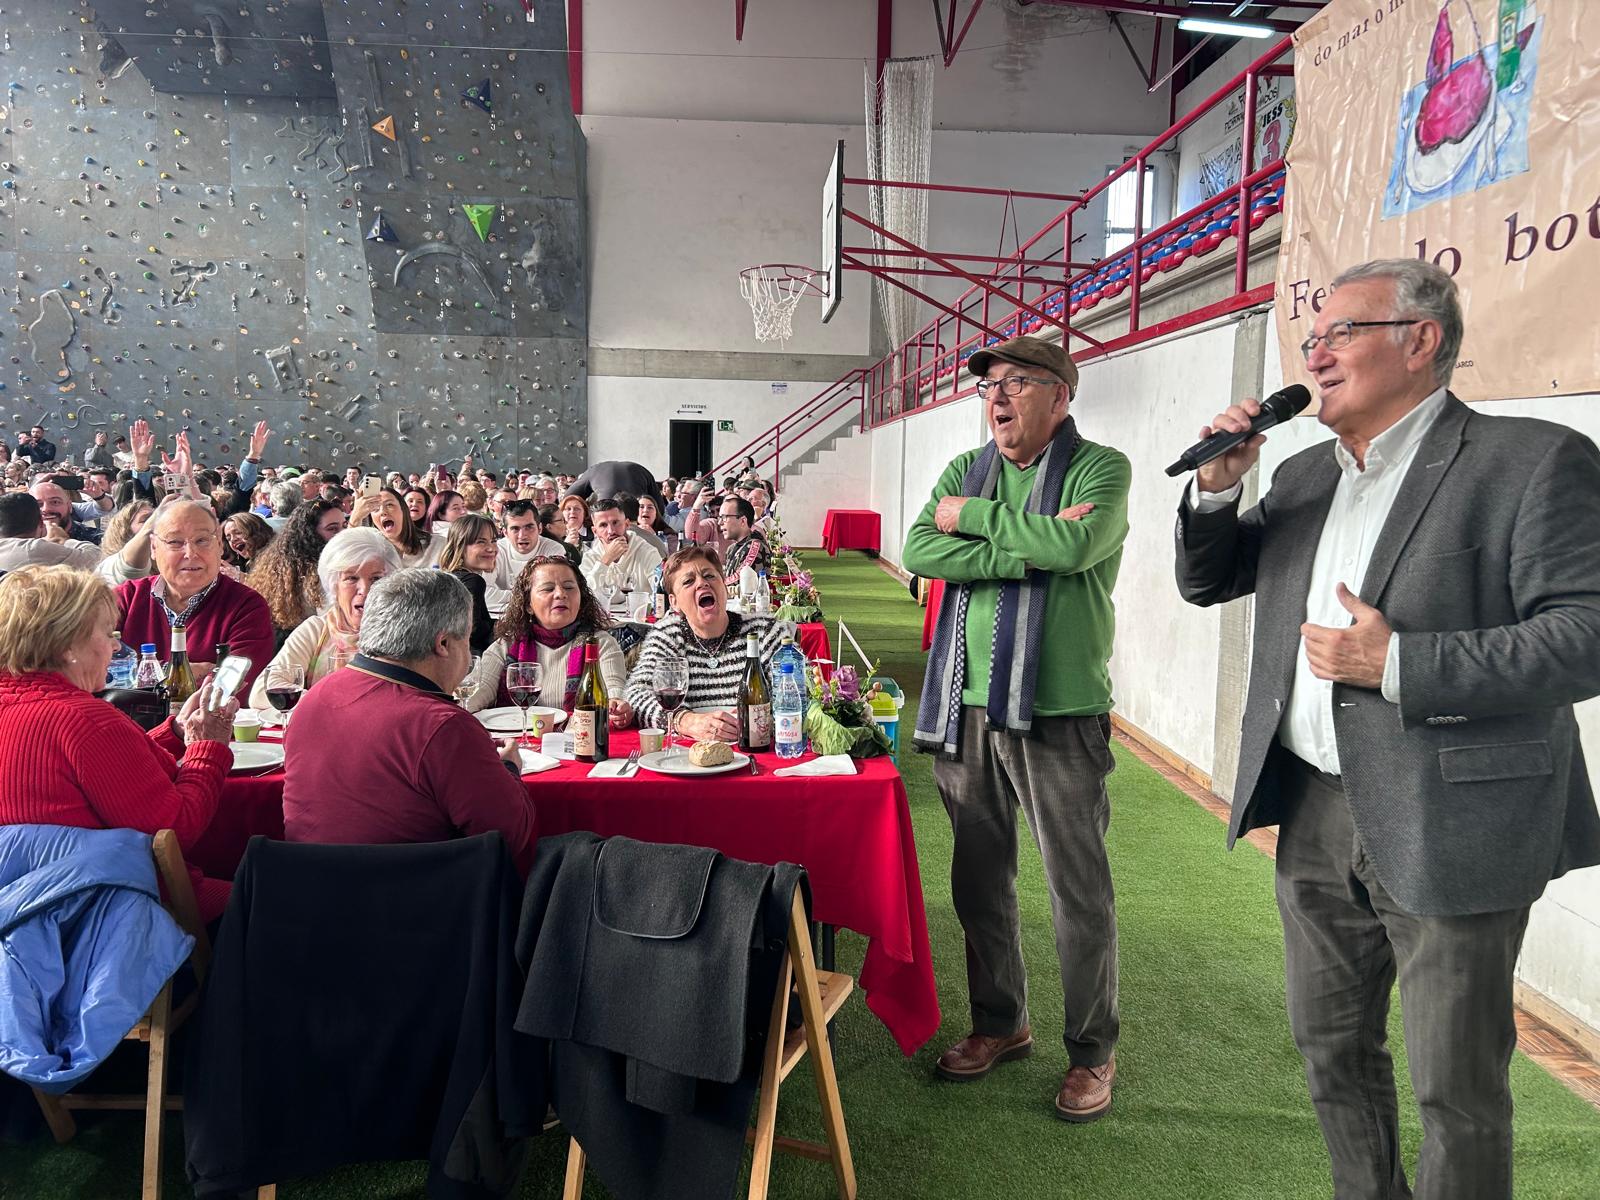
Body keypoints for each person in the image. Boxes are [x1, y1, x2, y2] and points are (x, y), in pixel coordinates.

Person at [1175, 259, 1600, 1199]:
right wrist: (1215, 489)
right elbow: (1210, 580)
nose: (1314, 353)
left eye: (1340, 333)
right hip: (1317, 811)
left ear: (1421, 341)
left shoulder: (1531, 461)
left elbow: (1585, 637)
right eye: (1311, 336)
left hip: (1456, 818)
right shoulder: (1298, 474)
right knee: (1332, 1052)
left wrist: (1400, 663)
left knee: (1457, 1087)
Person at [905, 334, 1130, 1123]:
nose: (998, 398)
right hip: (964, 705)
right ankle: (1002, 1024)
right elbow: (917, 547)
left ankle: (1092, 1052)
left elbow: (1074, 544)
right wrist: (1014, 544)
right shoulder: (965, 470)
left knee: (1077, 890)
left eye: (1018, 383)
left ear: (1060, 396)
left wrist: (972, 522)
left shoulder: (1102, 469)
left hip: (1059, 712)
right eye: (990, 386)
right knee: (978, 879)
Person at [0, 566, 238, 921]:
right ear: (68, 646)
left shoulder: (42, 713)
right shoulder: (84, 721)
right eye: (107, 633)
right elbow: (174, 832)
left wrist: (174, 734)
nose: (115, 645)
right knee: (285, 894)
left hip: (20, 910)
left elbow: (114, 769)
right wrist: (209, 749)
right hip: (104, 914)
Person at [280, 568, 537, 873]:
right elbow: (512, 836)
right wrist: (508, 768)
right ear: (443, 645)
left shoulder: (316, 696)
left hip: (303, 897)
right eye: (467, 639)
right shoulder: (441, 725)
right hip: (412, 905)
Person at [110, 499, 276, 692]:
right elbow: (92, 669)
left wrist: (135, 673)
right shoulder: (126, 597)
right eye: (175, 542)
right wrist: (178, 671)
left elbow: (230, 690)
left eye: (202, 540)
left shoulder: (247, 606)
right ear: (154, 548)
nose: (190, 553)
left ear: (220, 545)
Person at [625, 546, 786, 741]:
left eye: (709, 576)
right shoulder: (668, 635)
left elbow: (799, 694)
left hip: (756, 751)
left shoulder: (766, 631)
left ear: (724, 587)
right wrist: (685, 721)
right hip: (688, 757)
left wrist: (764, 722)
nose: (702, 584)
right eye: (688, 581)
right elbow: (636, 694)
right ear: (674, 602)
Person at [467, 555, 632, 725]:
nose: (560, 594)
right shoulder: (507, 646)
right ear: (528, 605)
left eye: (569, 587)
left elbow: (614, 688)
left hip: (578, 740)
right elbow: (478, 691)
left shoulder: (600, 643)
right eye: (548, 589)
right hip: (518, 743)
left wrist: (616, 706)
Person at [249, 528, 401, 710]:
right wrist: (322, 702)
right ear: (334, 585)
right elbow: (261, 692)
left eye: (376, 579)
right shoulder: (316, 630)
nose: (364, 590)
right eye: (351, 578)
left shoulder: (404, 634)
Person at [243, 499, 348, 644]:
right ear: (310, 534)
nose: (342, 534)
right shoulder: (318, 574)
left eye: (345, 526)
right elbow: (332, 625)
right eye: (332, 529)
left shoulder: (277, 565)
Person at [486, 500, 565, 619]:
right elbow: (484, 595)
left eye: (529, 527)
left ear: (540, 528)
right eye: (515, 529)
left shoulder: (553, 549)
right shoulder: (497, 550)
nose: (522, 535)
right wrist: (531, 599)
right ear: (505, 533)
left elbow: (555, 594)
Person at [581, 498, 662, 609]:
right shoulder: (591, 557)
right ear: (595, 531)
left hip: (640, 619)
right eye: (603, 525)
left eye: (615, 523)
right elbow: (583, 594)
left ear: (627, 524)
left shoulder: (647, 552)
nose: (611, 530)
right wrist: (606, 560)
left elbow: (660, 593)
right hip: (604, 621)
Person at [438, 514, 500, 655]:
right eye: (481, 542)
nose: (491, 548)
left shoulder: (450, 577)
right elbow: (473, 633)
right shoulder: (472, 581)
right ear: (460, 546)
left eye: (493, 541)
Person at [0, 493, 104, 573]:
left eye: (55, 502)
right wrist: (62, 540)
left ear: (69, 506)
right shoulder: (33, 549)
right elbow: (96, 558)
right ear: (41, 522)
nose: (46, 509)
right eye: (40, 504)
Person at [354, 486, 439, 568]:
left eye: (389, 505)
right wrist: (356, 517)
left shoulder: (437, 544)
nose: (383, 511)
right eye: (376, 509)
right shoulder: (371, 551)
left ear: (404, 509)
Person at [562, 459, 665, 517]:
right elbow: (660, 508)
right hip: (633, 513)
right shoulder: (641, 470)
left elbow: (568, 498)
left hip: (606, 511)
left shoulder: (594, 470)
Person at [717, 496, 769, 585]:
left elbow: (738, 580)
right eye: (719, 517)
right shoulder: (732, 548)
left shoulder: (755, 546)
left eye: (724, 517)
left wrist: (712, 584)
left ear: (743, 521)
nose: (720, 522)